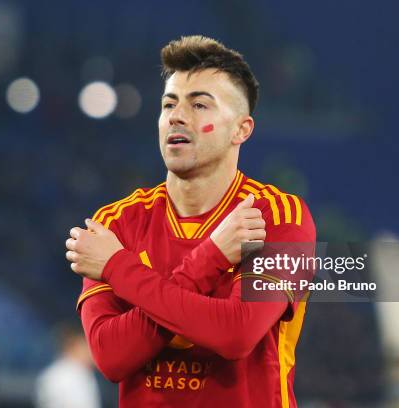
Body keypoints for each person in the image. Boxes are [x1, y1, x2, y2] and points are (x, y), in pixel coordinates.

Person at [65, 35, 316, 407]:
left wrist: (118, 266)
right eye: (169, 104)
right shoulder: (115, 223)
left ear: (241, 130)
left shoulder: (278, 217)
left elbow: (236, 333)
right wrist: (211, 256)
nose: (177, 116)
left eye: (200, 105)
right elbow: (111, 357)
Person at [35, 323, 101, 408]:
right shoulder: (71, 375)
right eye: (88, 345)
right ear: (75, 346)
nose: (93, 351)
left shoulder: (54, 372)